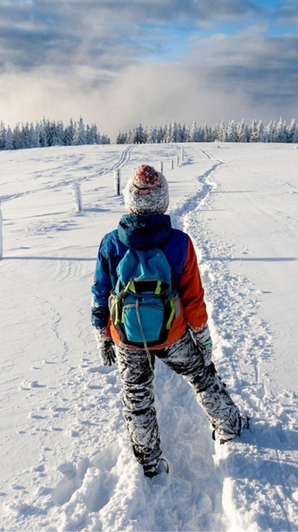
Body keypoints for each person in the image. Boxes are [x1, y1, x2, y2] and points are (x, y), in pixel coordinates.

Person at [91, 164, 244, 478]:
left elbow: (100, 293)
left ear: (130, 200)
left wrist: (103, 334)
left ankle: (149, 461)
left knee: (136, 398)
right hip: (173, 335)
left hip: (126, 337)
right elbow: (193, 300)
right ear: (163, 200)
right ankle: (230, 425)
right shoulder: (179, 243)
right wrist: (203, 342)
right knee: (201, 376)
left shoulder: (111, 243)